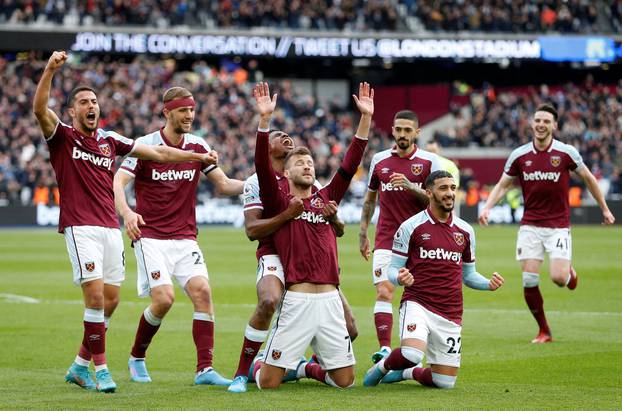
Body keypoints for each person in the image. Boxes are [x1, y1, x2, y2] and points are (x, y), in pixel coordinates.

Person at [33, 51, 217, 393]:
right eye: (84, 102)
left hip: (109, 228)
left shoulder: (110, 140)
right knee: (95, 299)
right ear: (72, 111)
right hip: (80, 226)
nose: (92, 106)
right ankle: (101, 370)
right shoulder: (62, 137)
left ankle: (78, 366)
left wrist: (197, 156)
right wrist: (49, 70)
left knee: (112, 300)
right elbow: (40, 109)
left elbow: (159, 153)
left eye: (95, 101)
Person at [113, 87, 244, 386]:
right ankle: (137, 356)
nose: (189, 115)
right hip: (151, 238)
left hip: (186, 238)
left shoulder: (198, 144)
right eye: (183, 110)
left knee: (203, 293)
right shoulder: (145, 145)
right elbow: (118, 182)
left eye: (192, 110)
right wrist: (128, 213)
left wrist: (257, 184)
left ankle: (204, 370)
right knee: (164, 299)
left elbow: (223, 185)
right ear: (167, 112)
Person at [250, 81, 373, 390]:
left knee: (344, 381)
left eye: (310, 163)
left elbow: (349, 164)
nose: (307, 166)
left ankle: (304, 368)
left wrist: (365, 119)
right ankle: (257, 364)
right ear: (287, 173)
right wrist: (264, 120)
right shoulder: (279, 201)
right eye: (299, 163)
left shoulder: (327, 199)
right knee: (268, 383)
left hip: (331, 299)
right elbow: (262, 167)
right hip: (298, 300)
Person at [228, 129, 358, 393]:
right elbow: (252, 230)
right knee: (268, 301)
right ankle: (243, 373)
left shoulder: (312, 183)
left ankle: (304, 363)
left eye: (289, 135)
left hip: (309, 259)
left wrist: (334, 220)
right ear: (268, 148)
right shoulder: (258, 181)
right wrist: (287, 215)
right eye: (278, 136)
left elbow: (335, 226)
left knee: (350, 326)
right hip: (274, 250)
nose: (286, 137)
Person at [479, 103, 615, 343]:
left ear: (555, 125)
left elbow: (589, 179)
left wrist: (604, 208)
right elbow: (502, 184)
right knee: (529, 278)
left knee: (558, 279)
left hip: (558, 226)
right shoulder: (519, 155)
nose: (541, 125)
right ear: (532, 124)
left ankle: (569, 274)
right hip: (530, 225)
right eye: (538, 120)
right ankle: (544, 330)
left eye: (546, 121)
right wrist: (488, 207)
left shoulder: (566, 153)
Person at [363, 170, 505, 389]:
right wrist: (400, 278)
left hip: (450, 311)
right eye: (443, 188)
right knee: (411, 352)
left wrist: (488, 284)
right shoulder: (411, 227)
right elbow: (392, 270)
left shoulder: (465, 231)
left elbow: (468, 275)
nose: (449, 193)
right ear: (429, 192)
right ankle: (382, 367)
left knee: (444, 382)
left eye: (452, 188)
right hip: (417, 302)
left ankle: (408, 373)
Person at [359, 110, 441, 363]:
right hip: (387, 239)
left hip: (421, 240)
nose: (402, 134)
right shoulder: (380, 160)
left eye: (408, 130)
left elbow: (438, 200)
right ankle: (384, 349)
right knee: (384, 291)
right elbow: (370, 199)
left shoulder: (429, 162)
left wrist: (410, 186)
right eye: (398, 129)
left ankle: (422, 348)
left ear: (417, 133)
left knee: (425, 297)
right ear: (392, 130)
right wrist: (363, 232)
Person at [426, 140, 461, 216]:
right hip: (425, 203)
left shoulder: (449, 165)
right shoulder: (423, 164)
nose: (432, 153)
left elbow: (455, 187)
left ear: (439, 150)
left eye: (433, 150)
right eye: (429, 151)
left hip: (444, 202)